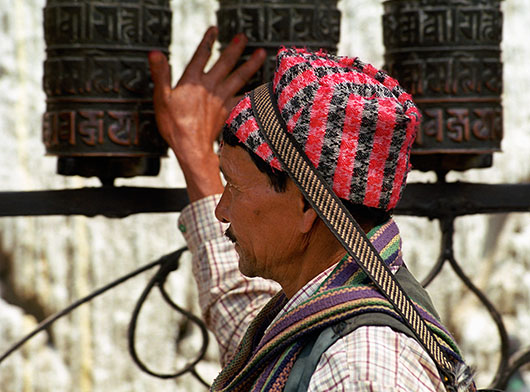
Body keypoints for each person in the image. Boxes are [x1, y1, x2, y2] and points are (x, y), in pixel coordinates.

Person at [149, 26, 474, 392]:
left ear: (307, 205)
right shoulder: (324, 322)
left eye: (235, 187)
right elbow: (250, 330)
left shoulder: (359, 369)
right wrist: (193, 153)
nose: (221, 211)